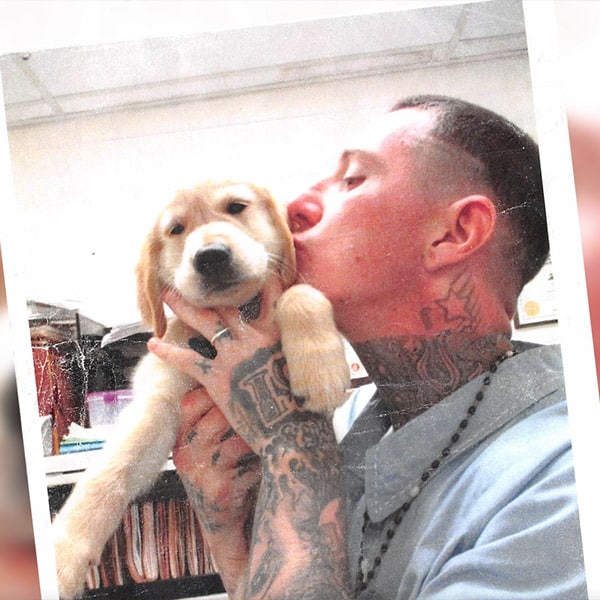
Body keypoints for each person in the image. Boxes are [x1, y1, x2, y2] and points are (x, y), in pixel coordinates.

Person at [148, 95, 587, 599]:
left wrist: (292, 441)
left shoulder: (566, 480)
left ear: (455, 233)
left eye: (352, 179)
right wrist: (224, 528)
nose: (292, 207)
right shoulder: (353, 416)